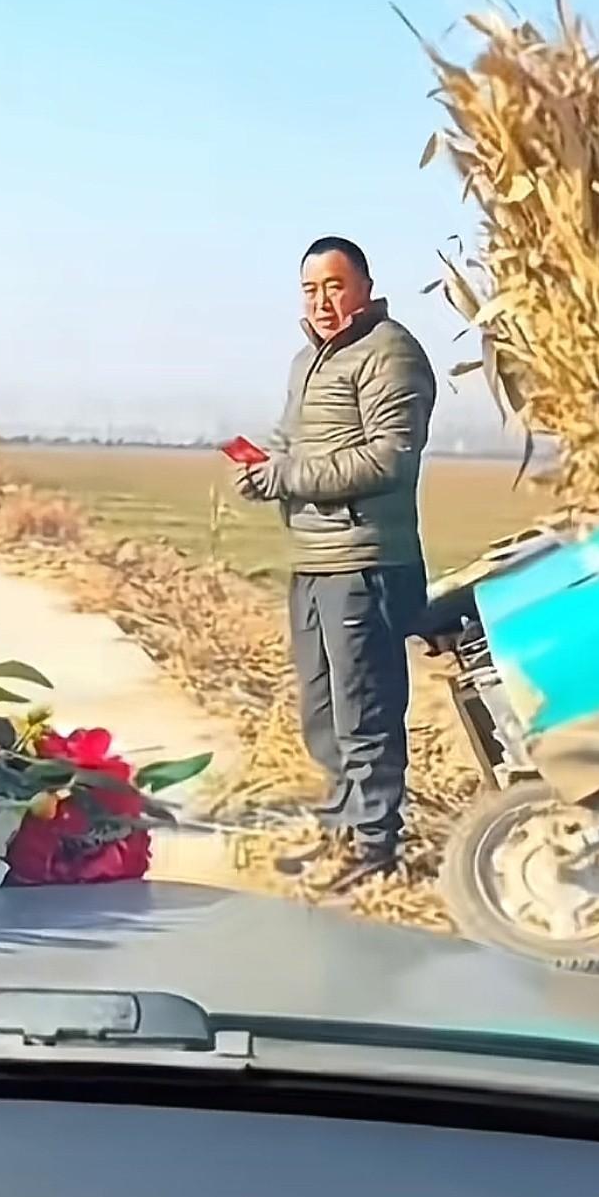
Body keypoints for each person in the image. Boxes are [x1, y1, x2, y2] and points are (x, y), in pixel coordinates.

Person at [235, 237, 437, 891]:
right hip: (313, 559)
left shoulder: (390, 353)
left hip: (365, 561)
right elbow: (289, 438)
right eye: (310, 289)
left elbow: (388, 458)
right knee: (323, 711)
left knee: (364, 710)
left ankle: (375, 845)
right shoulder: (309, 360)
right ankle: (340, 831)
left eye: (334, 286)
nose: (322, 301)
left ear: (365, 287)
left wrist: (287, 476)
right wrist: (262, 467)